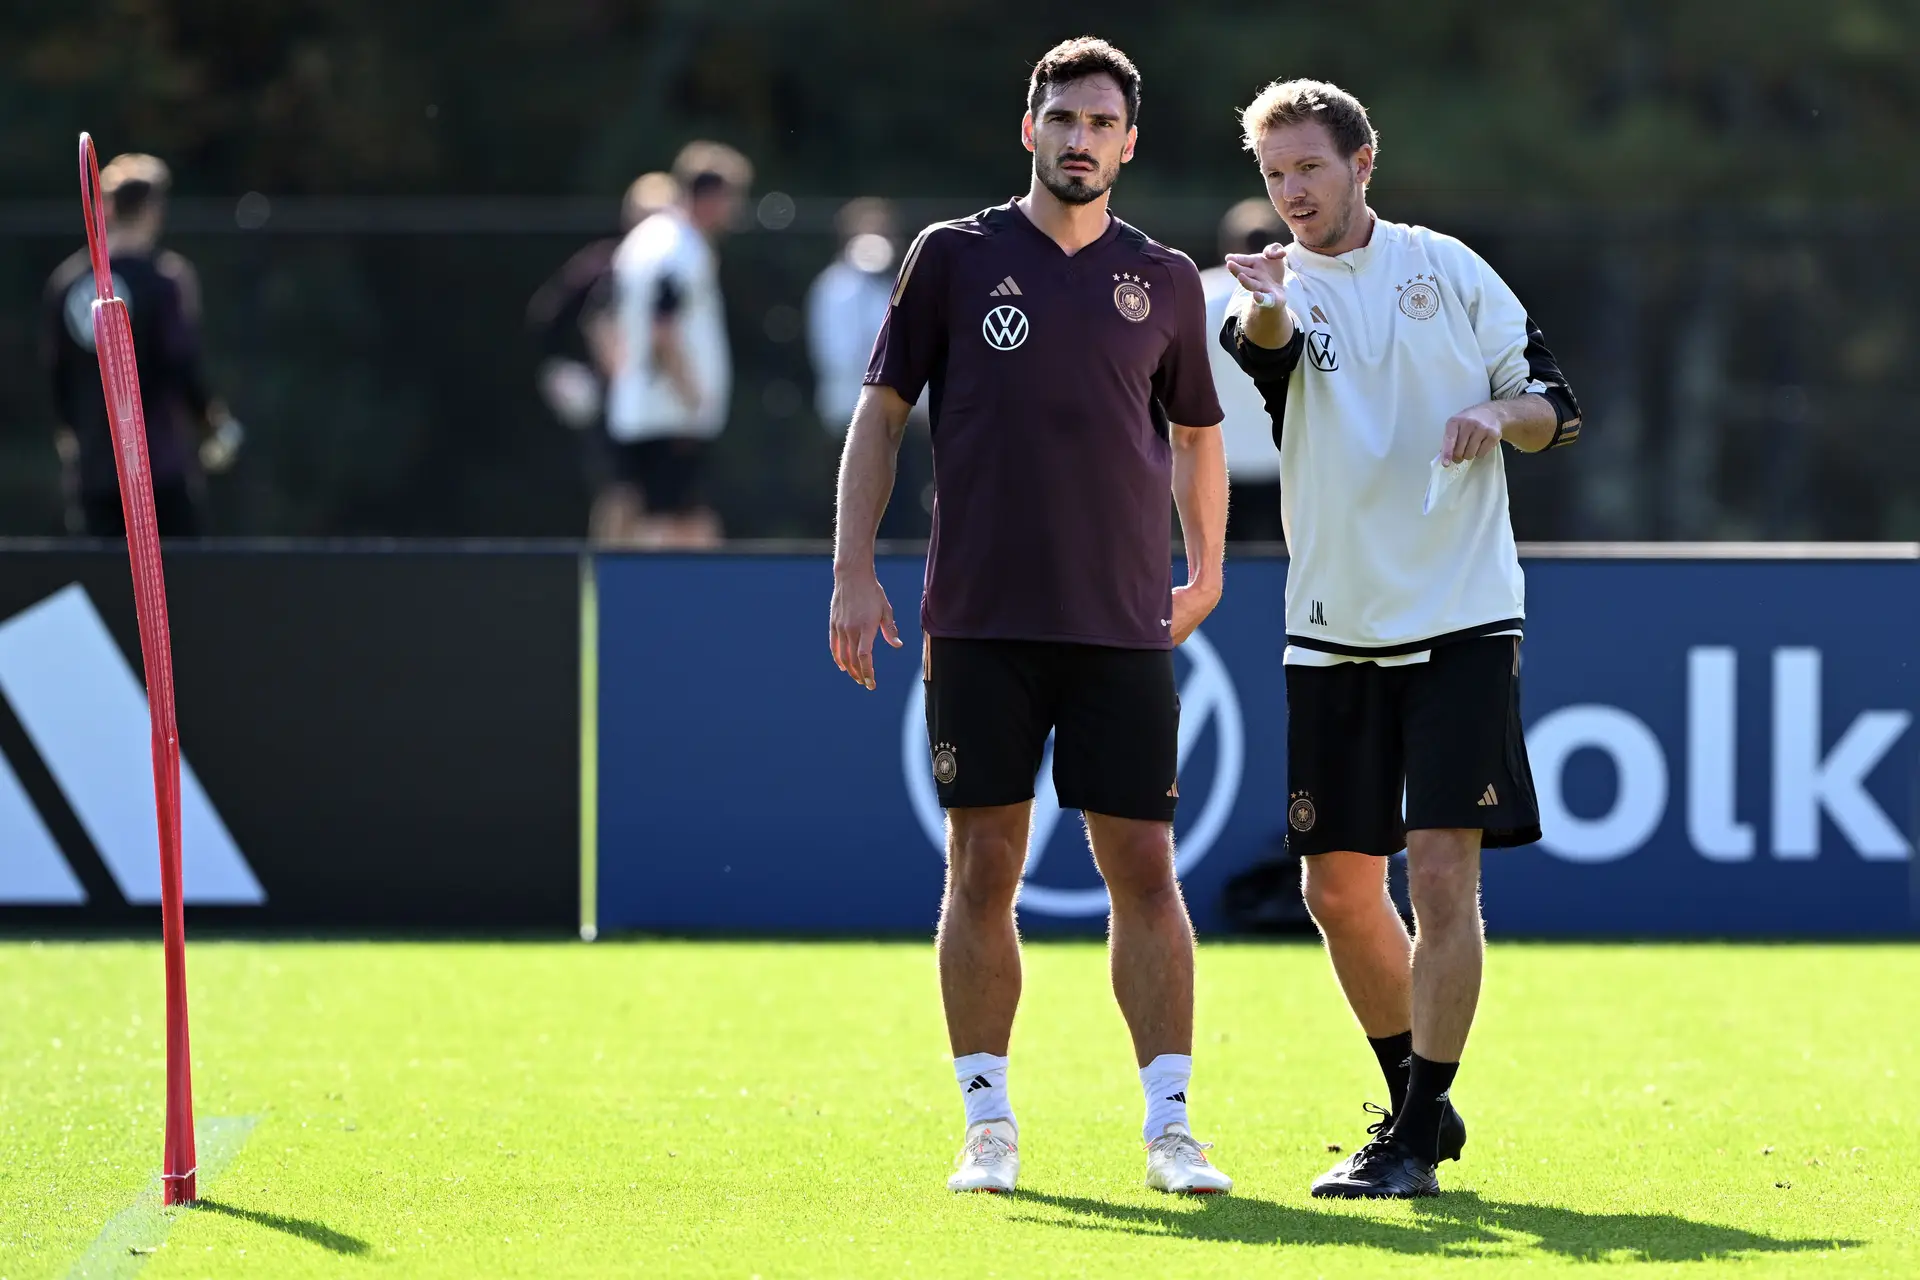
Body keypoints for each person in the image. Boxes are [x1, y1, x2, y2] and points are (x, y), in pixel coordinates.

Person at [828, 37, 1233, 1196]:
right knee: (983, 866)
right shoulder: (952, 257)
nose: (1080, 138)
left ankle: (1169, 1126)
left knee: (1145, 867)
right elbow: (881, 414)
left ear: (1129, 144)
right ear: (1029, 129)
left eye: (1101, 123)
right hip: (982, 620)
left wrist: (1203, 568)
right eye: (1062, 117)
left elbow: (1198, 436)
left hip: (1118, 624)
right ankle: (988, 1121)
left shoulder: (1162, 277)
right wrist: (853, 568)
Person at [1219, 79, 1583, 1198]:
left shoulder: (1450, 269)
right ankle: (1422, 1095)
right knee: (1334, 889)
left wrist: (1494, 416)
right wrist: (1270, 301)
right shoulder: (1266, 294)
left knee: (1440, 875)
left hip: (1463, 610)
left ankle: (1413, 1133)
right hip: (1331, 625)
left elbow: (1554, 405)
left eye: (1309, 169)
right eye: (1274, 175)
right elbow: (1267, 349)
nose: (1291, 193)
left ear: (1363, 162)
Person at [43, 153, 241, 538]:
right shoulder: (165, 280)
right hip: (158, 465)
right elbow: (180, 362)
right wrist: (211, 423)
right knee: (177, 580)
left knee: (102, 586)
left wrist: (72, 434)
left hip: (95, 467)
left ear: (109, 209)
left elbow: (56, 372)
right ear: (153, 210)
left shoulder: (66, 282)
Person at [605, 141, 751, 548]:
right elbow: (662, 327)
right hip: (671, 414)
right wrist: (691, 395)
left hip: (639, 407)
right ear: (711, 197)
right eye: (731, 198)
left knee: (667, 518)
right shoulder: (680, 248)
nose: (734, 210)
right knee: (672, 526)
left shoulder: (644, 239)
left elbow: (611, 321)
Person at [526, 171, 679, 542]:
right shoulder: (606, 264)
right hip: (615, 408)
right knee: (620, 495)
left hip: (662, 408)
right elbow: (556, 321)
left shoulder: (675, 268)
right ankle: (608, 580)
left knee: (660, 504)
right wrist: (561, 374)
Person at [806, 198, 932, 540]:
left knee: (900, 518)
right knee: (853, 521)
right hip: (851, 422)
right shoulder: (835, 287)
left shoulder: (895, 287)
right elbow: (840, 356)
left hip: (900, 423)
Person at [1201, 199, 1289, 543]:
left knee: (1220, 578)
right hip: (1286, 463)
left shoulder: (1201, 296)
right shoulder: (1299, 293)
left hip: (1219, 464)